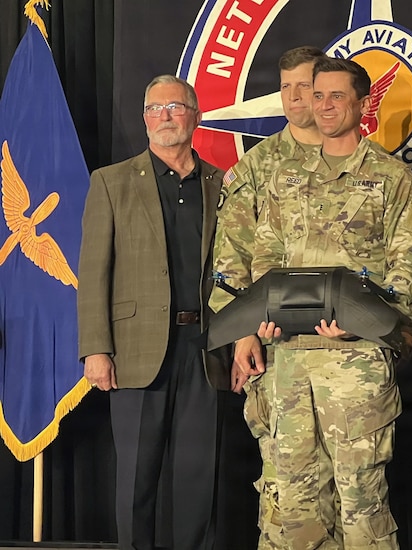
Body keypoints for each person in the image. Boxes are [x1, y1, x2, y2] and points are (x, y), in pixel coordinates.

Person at [247, 57, 412, 549]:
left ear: (363, 104)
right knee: (295, 506)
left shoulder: (393, 179)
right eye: (317, 95)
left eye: (336, 96)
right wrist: (264, 312)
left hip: (357, 364)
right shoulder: (283, 178)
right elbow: (265, 253)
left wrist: (362, 325)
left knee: (360, 504)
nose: (324, 106)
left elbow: (407, 268)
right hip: (288, 362)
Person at [77, 75, 227, 550]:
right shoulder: (112, 181)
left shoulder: (223, 184)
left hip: (205, 350)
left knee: (197, 484)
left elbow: (237, 267)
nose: (164, 116)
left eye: (175, 107)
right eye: (154, 108)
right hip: (135, 352)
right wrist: (96, 349)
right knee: (137, 485)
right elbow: (93, 272)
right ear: (143, 119)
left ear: (195, 115)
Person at [208, 45, 328, 549]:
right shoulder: (258, 166)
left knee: (356, 490)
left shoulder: (359, 158)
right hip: (277, 348)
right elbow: (231, 258)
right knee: (287, 487)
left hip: (347, 350)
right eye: (286, 87)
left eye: (306, 85)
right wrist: (239, 336)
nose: (296, 96)